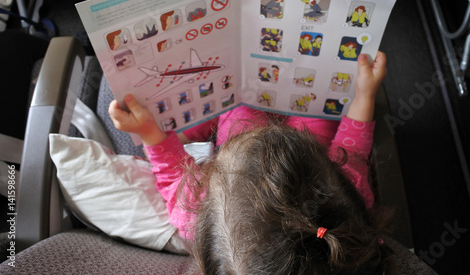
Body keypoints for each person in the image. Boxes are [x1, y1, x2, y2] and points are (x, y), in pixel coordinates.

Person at [109, 51, 395, 274]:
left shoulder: (199, 219)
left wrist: (149, 132)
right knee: (312, 105)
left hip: (251, 132)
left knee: (239, 104)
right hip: (308, 140)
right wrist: (364, 94)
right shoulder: (345, 204)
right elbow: (352, 149)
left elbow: (173, 174)